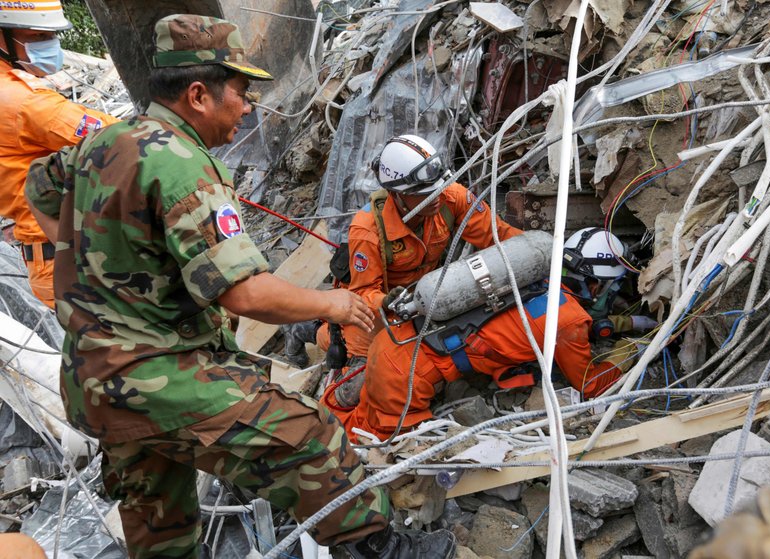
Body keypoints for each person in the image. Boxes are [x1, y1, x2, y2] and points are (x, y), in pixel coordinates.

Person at [25, 14, 455, 559]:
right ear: (199, 94)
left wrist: (87, 261)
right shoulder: (181, 165)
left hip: (92, 381)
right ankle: (384, 552)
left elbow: (38, 183)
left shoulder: (108, 140)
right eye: (243, 91)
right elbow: (246, 293)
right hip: (153, 373)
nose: (249, 107)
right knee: (308, 437)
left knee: (159, 523)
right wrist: (337, 303)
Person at [329, 228, 655, 442]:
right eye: (611, 286)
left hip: (396, 338)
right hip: (405, 376)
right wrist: (634, 351)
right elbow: (590, 385)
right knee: (365, 441)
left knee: (345, 414)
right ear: (595, 283)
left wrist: (627, 323)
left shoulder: (536, 273)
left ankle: (320, 415)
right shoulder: (568, 320)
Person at [286, 134, 523, 367]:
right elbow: (363, 293)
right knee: (364, 353)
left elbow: (499, 235)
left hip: (426, 292)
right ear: (397, 195)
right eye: (423, 194)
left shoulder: (452, 198)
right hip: (385, 305)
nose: (436, 197)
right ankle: (310, 330)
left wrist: (532, 252)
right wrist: (387, 301)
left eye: (438, 188)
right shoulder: (368, 231)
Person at [0, 0, 119, 309]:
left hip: (51, 258)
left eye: (52, 36)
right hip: (69, 259)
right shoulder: (23, 102)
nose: (51, 46)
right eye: (38, 37)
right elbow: (121, 137)